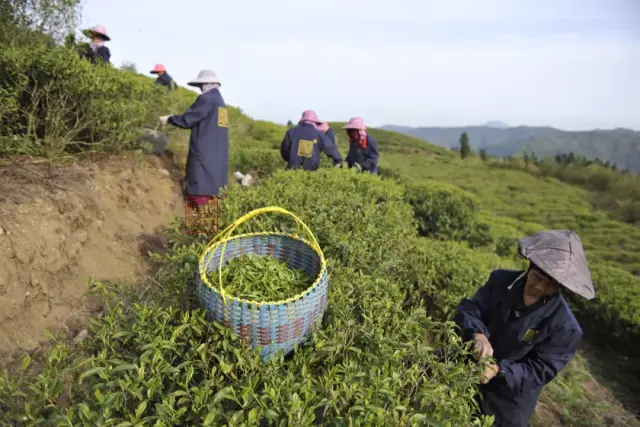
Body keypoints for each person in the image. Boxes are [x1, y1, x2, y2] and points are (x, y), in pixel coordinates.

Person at [454, 230, 595, 427]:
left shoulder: (565, 327)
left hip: (505, 404)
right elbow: (470, 309)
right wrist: (477, 334)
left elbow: (539, 369)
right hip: (462, 371)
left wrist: (498, 370)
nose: (539, 287)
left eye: (550, 285)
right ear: (530, 266)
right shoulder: (501, 281)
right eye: (537, 277)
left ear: (560, 286)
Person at [159, 69, 229, 207]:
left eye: (201, 85)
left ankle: (198, 228)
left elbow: (188, 120)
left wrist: (170, 118)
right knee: (212, 213)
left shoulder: (206, 99)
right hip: (218, 169)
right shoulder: (221, 103)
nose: (200, 89)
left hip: (204, 161)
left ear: (208, 84)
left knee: (199, 207)